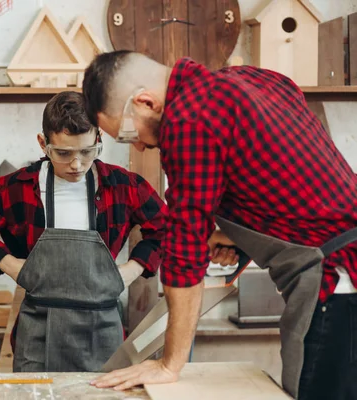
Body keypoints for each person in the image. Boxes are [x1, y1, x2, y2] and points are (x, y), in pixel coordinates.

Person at [81, 50, 357, 400]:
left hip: (338, 280)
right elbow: (286, 182)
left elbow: (185, 246)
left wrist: (169, 364)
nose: (139, 145)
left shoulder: (188, 119)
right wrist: (241, 240)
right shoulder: (253, 80)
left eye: (127, 134)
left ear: (146, 102)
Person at [0, 91, 237, 373]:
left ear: (98, 140)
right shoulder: (15, 187)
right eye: (63, 153)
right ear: (43, 144)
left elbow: (166, 229)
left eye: (87, 151)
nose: (77, 164)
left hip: (102, 327)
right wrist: (13, 266)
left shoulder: (123, 186)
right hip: (38, 327)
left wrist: (132, 268)